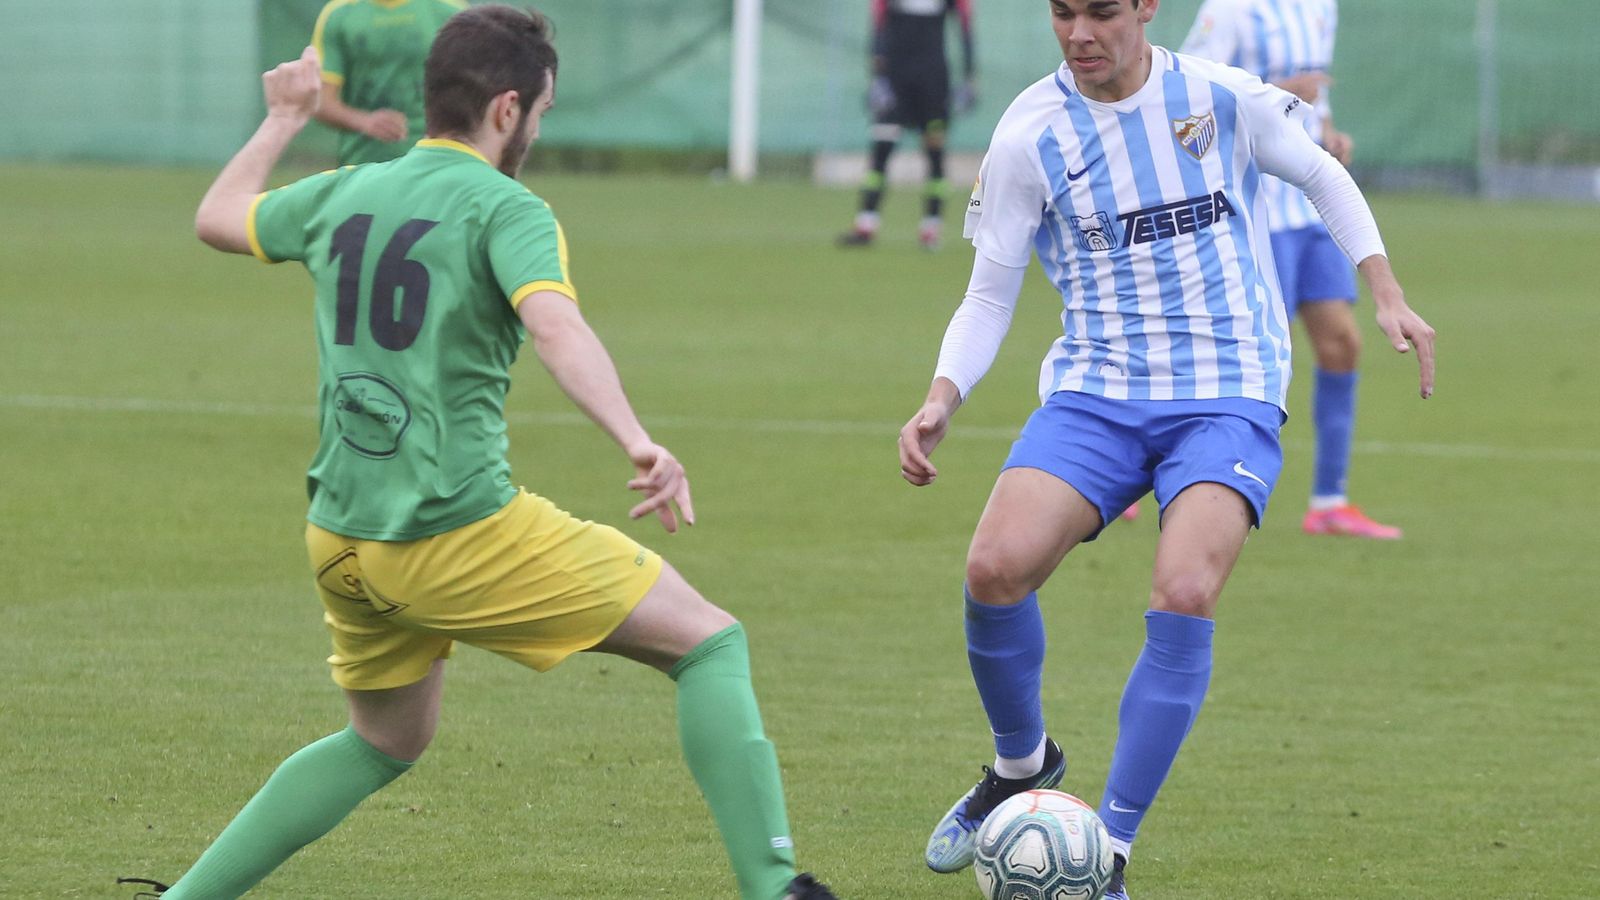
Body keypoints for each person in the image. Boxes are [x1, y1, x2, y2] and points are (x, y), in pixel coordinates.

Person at [135, 8, 837, 899]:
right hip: (453, 532)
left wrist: (284, 119)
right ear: (507, 109)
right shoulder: (508, 207)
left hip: (342, 540)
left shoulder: (349, 189)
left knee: (384, 740)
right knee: (709, 644)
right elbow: (557, 324)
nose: (539, 129)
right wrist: (637, 439)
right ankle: (776, 890)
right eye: (540, 111)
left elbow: (217, 216)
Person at [896, 1, 1434, 897]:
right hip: (1098, 390)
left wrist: (1383, 290)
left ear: (1145, 7)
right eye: (1062, 12)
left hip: (1228, 390)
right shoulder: (1030, 132)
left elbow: (1320, 173)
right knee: (993, 568)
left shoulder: (1218, 96)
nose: (1079, 32)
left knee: (1184, 590)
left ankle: (1107, 851)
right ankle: (1022, 766)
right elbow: (989, 293)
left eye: (1101, 11)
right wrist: (941, 396)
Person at [1180, 0, 1401, 538]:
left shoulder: (1322, 6)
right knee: (1247, 354)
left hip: (1309, 206)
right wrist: (1279, 88)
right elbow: (1183, 88)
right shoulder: (1231, 10)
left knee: (1342, 344)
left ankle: (1328, 501)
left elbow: (1315, 98)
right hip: (1256, 209)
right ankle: (1152, 466)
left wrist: (1328, 129)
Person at [837, 0, 977, 251]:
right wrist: (878, 77)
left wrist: (969, 76)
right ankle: (866, 224)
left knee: (935, 153)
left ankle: (931, 227)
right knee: (881, 150)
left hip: (933, 81)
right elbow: (878, 26)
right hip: (896, 78)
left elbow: (965, 27)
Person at [311, 0, 465, 165]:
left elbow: (476, 93)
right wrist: (365, 121)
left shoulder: (452, 11)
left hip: (436, 163)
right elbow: (321, 102)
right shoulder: (338, 14)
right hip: (363, 166)